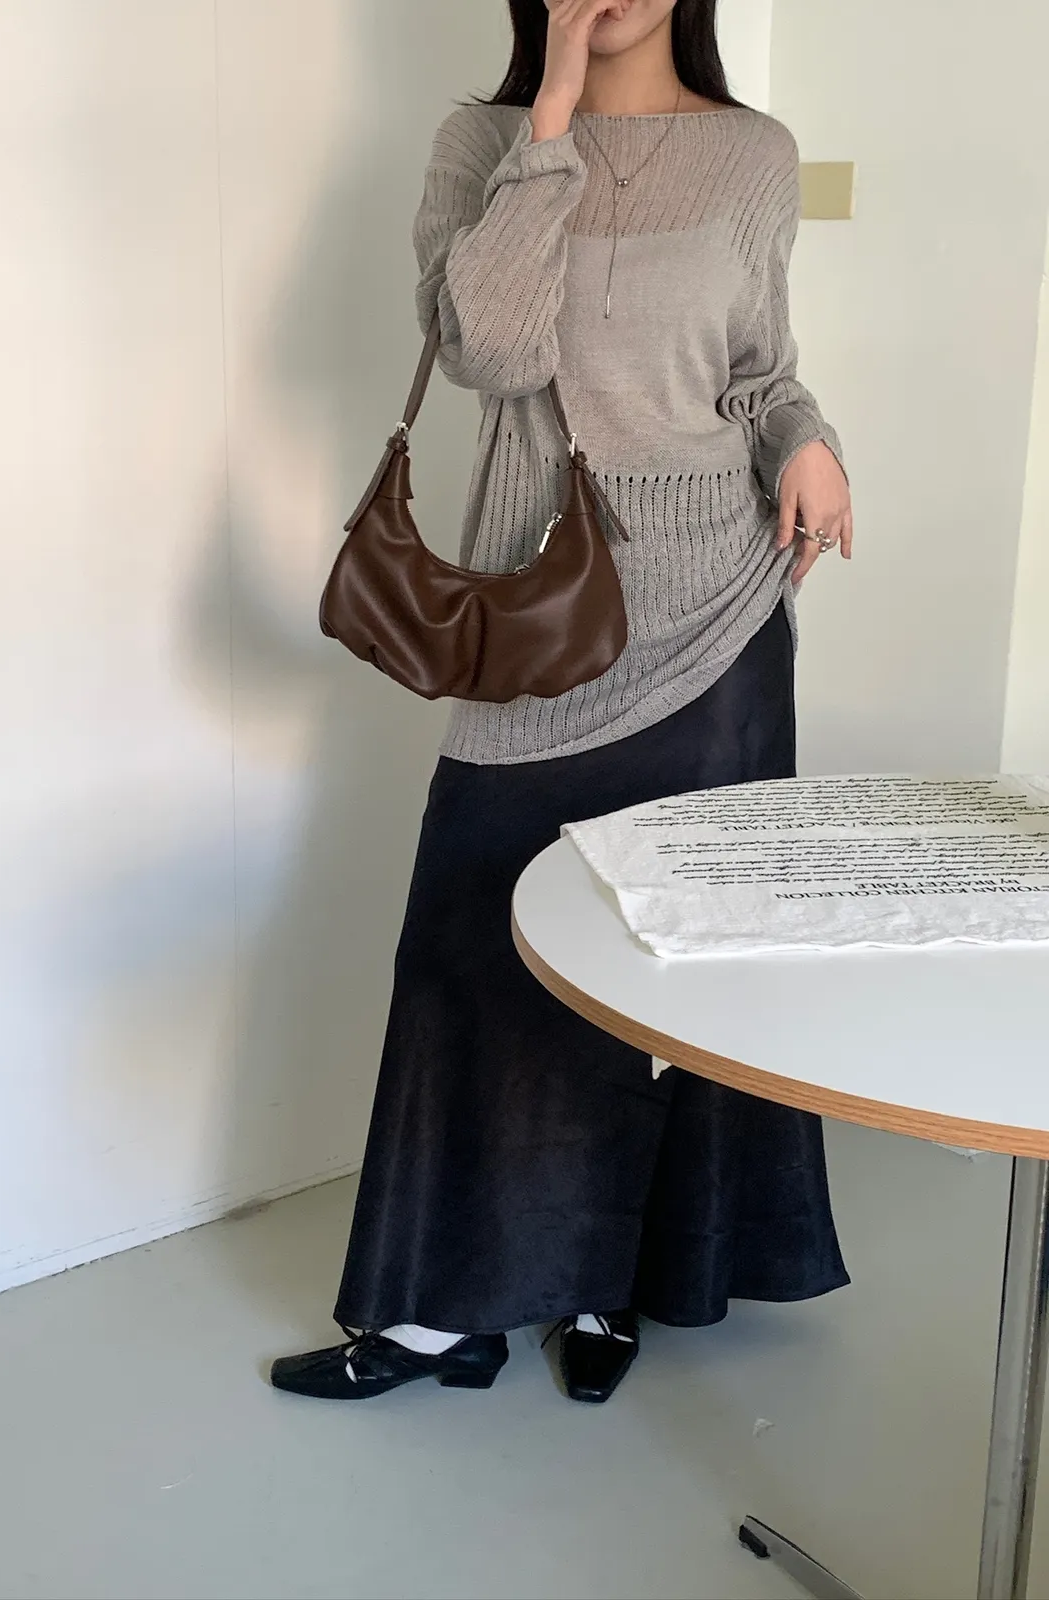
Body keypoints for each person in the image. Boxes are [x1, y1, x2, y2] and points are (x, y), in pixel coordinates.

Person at [272, 0, 853, 1405]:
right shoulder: (480, 142)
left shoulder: (756, 154)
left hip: (720, 606)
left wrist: (810, 440)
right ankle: (439, 1314)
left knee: (671, 960)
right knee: (477, 945)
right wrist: (550, 119)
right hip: (547, 607)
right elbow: (493, 352)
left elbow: (760, 370)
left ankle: (615, 1278)